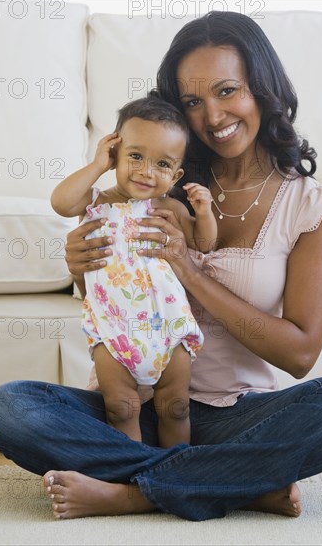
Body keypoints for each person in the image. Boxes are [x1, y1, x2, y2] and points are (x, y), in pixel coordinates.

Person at [0, 11, 322, 522]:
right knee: (13, 408)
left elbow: (301, 354)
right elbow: (115, 293)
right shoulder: (153, 181)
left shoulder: (310, 206)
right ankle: (232, 483)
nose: (213, 116)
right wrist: (81, 268)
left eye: (227, 90)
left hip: (237, 414)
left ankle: (132, 492)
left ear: (262, 87)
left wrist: (190, 269)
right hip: (133, 405)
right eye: (193, 101)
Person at [50, 95, 217, 448]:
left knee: (175, 407)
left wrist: (203, 213)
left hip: (167, 322)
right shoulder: (96, 201)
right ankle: (133, 471)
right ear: (115, 153)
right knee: (120, 408)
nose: (146, 172)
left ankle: (176, 470)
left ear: (176, 174)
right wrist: (97, 165)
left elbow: (203, 244)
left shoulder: (168, 206)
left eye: (162, 164)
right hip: (113, 327)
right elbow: (61, 203)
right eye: (136, 156)